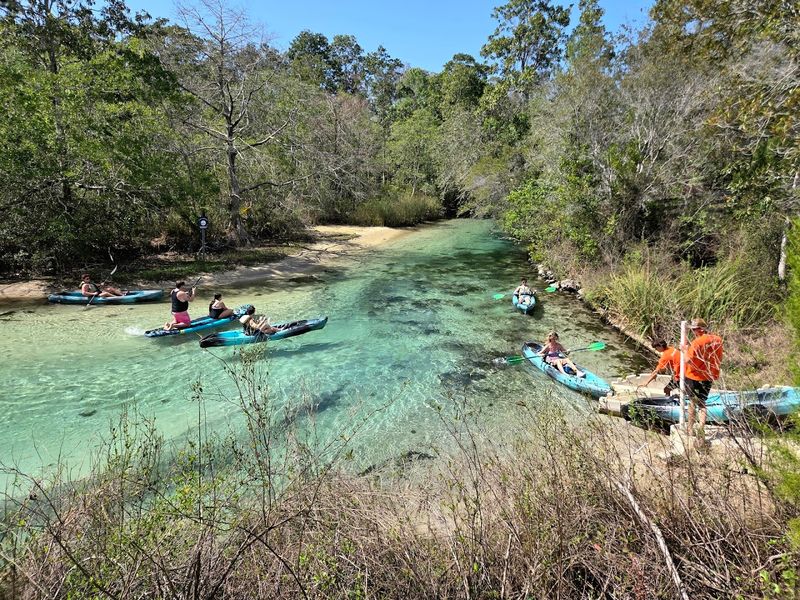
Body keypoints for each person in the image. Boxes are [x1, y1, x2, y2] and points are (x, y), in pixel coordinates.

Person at [683, 318, 724, 439]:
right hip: (709, 375)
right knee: (702, 403)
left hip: (695, 376)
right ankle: (701, 428)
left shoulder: (697, 342)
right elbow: (719, 357)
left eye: (694, 330)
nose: (693, 332)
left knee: (692, 403)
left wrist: (685, 350)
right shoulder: (718, 340)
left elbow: (687, 360)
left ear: (700, 330)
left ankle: (690, 430)